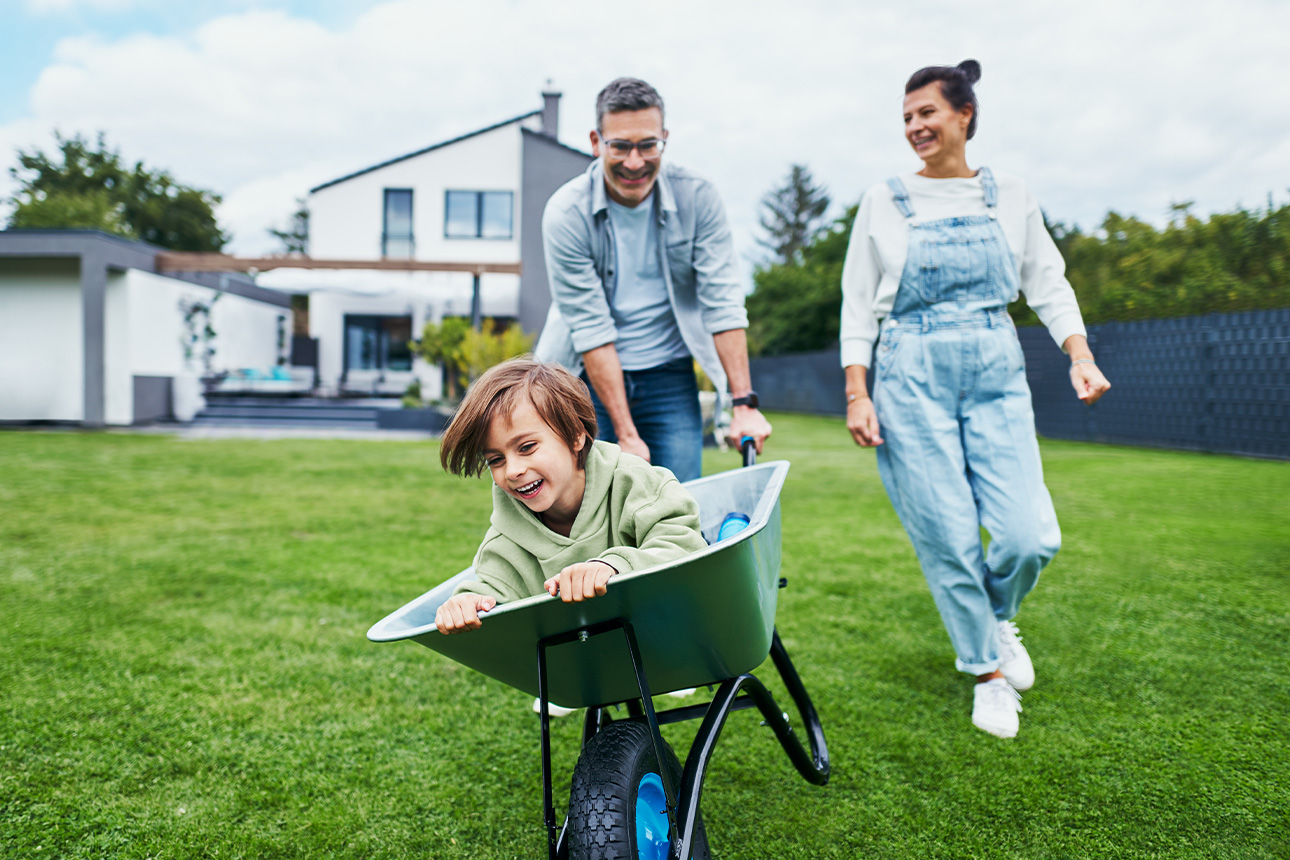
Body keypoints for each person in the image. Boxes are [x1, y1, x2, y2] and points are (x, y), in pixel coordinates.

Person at [839, 60, 1111, 739]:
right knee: (948, 537)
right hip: (908, 368)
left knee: (1029, 536)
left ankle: (994, 616)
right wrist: (857, 393)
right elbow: (856, 307)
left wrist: (1079, 354)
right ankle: (988, 673)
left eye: (926, 113)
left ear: (964, 114)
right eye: (906, 118)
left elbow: (1048, 281)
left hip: (994, 361)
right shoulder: (883, 200)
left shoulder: (1010, 194)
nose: (915, 127)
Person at [535, 77, 772, 483]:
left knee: (680, 507)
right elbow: (591, 328)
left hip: (668, 374)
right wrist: (626, 434)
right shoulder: (566, 214)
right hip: (587, 378)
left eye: (647, 145)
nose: (634, 161)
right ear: (596, 141)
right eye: (620, 146)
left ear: (664, 138)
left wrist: (744, 404)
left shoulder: (698, 197)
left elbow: (723, 303)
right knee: (596, 509)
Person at [434, 357, 707, 636]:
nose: (513, 471)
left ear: (576, 435)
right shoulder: (507, 535)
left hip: (669, 635)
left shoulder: (637, 484)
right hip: (581, 662)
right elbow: (493, 587)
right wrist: (467, 601)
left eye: (527, 447)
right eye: (495, 459)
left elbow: (685, 546)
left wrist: (613, 566)